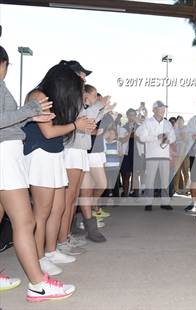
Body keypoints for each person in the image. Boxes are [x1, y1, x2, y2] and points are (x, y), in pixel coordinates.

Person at [0, 45, 75, 301]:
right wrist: (31, 111)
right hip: (5, 155)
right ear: (4, 64)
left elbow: (9, 119)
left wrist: (29, 118)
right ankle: (37, 284)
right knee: (26, 221)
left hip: (7, 152)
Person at [23, 65, 95, 275]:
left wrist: (77, 124)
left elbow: (58, 131)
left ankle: (51, 250)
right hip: (40, 156)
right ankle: (38, 258)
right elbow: (47, 132)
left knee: (58, 208)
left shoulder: (53, 99)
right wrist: (76, 125)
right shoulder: (37, 95)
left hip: (54, 156)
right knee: (42, 212)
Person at [79, 85, 114, 242]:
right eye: (95, 97)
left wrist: (106, 111)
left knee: (94, 187)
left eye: (98, 98)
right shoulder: (84, 110)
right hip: (88, 152)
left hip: (98, 152)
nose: (97, 100)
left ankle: (90, 216)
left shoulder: (98, 112)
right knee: (98, 185)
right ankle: (89, 215)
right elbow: (87, 129)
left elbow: (105, 126)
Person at [137, 101, 176, 211]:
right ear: (154, 110)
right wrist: (156, 137)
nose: (163, 110)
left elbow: (173, 137)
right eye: (161, 108)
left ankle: (165, 202)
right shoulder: (147, 122)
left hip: (165, 156)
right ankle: (148, 203)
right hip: (152, 156)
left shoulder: (167, 123)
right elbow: (142, 138)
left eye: (164, 108)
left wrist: (168, 140)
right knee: (150, 180)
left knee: (165, 181)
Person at [119, 108, 140, 197]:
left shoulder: (140, 127)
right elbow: (122, 140)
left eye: (133, 115)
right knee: (125, 174)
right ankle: (125, 193)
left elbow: (141, 138)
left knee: (136, 174)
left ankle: (136, 193)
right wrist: (132, 134)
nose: (131, 117)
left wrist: (130, 135)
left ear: (135, 116)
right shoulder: (123, 127)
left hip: (137, 153)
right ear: (127, 116)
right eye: (130, 115)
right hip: (126, 154)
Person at [173, 116, 190, 195]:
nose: (180, 122)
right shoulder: (174, 130)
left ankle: (187, 189)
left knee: (186, 171)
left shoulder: (186, 129)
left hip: (185, 154)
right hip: (177, 155)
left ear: (183, 121)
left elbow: (185, 138)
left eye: (181, 121)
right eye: (178, 121)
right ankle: (176, 189)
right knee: (177, 172)